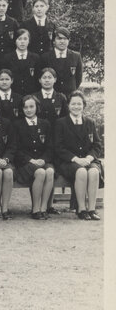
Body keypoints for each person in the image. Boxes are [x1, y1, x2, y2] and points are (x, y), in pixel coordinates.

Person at [53, 91, 103, 220]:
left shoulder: (90, 122)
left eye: (79, 104)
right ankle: (81, 209)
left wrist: (88, 158)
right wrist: (75, 159)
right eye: (73, 104)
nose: (76, 107)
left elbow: (97, 145)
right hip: (68, 162)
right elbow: (58, 147)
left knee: (93, 172)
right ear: (68, 106)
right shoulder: (61, 123)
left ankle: (91, 209)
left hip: (88, 159)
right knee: (81, 172)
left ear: (83, 105)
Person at [13, 94, 56, 219]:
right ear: (22, 109)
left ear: (37, 107)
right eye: (25, 107)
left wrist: (44, 159)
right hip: (25, 163)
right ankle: (35, 209)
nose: (29, 110)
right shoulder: (17, 125)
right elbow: (16, 149)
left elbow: (50, 147)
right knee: (41, 173)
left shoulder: (45, 124)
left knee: (50, 171)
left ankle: (43, 208)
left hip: (43, 160)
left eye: (31, 106)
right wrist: (30, 160)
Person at [0, 28, 40, 98]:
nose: (22, 42)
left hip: (31, 95)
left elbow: (37, 78)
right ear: (15, 41)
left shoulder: (35, 58)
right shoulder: (7, 58)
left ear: (29, 41)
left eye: (25, 39)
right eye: (19, 39)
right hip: (13, 95)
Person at [42, 27, 83, 97]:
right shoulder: (45, 57)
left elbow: (78, 79)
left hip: (70, 97)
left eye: (65, 38)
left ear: (69, 40)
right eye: (59, 38)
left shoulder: (76, 56)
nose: (62, 41)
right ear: (54, 41)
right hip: (52, 97)